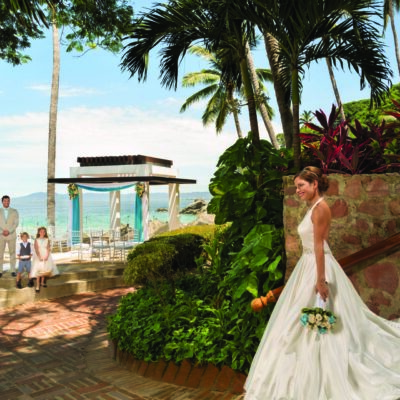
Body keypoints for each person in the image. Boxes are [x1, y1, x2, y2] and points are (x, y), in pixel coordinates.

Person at [244, 166, 400, 400]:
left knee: (323, 324)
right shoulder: (313, 208)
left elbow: (319, 246)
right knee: (295, 323)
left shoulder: (321, 209)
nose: (297, 190)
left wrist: (320, 280)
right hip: (307, 266)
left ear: (314, 184)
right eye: (296, 186)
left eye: (301, 186)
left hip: (317, 268)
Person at [31, 227, 59, 292]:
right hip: (39, 256)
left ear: (45, 233)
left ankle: (42, 282)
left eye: (44, 231)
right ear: (38, 232)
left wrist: (47, 256)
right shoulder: (36, 240)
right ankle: (37, 285)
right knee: (39, 271)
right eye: (41, 231)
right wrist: (39, 256)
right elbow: (36, 249)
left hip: (46, 255)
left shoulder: (47, 239)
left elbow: (48, 248)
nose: (42, 233)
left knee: (44, 269)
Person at [0, 195, 19, 278]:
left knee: (12, 253)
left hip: (11, 235)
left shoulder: (15, 211)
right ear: (2, 201)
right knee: (0, 254)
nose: (6, 202)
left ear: (9, 201)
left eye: (8, 201)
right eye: (5, 201)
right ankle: (0, 270)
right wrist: (1, 231)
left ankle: (13, 270)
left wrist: (9, 231)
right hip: (1, 236)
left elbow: (16, 223)